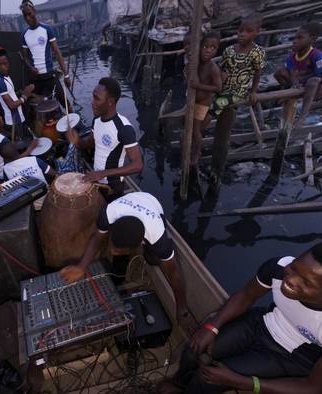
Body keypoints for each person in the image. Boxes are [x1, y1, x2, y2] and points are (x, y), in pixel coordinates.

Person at [159, 240, 322, 394]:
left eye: (307, 283)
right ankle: (178, 384)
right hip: (261, 325)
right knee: (192, 350)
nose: (290, 280)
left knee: (205, 380)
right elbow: (247, 295)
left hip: (293, 358)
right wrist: (212, 327)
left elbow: (316, 388)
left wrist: (241, 382)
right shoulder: (278, 267)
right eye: (295, 268)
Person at [60, 192, 188, 326]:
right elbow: (96, 238)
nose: (111, 252)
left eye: (118, 250)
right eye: (113, 246)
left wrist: (182, 308)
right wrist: (81, 267)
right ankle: (118, 278)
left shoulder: (158, 237)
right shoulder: (108, 214)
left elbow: (174, 273)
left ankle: (148, 255)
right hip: (131, 200)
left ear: (138, 245)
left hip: (152, 202)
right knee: (119, 258)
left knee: (153, 258)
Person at [208, 14, 266, 193]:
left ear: (257, 32)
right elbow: (222, 69)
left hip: (238, 92)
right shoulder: (229, 51)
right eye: (240, 30)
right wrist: (220, 79)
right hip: (223, 87)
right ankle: (203, 123)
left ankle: (203, 124)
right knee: (212, 101)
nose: (242, 34)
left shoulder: (257, 52)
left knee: (218, 107)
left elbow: (257, 73)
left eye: (248, 31)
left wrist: (254, 91)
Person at [67, 77, 143, 202]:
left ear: (110, 102)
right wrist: (77, 142)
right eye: (93, 97)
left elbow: (137, 165)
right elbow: (91, 142)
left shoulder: (124, 128)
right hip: (96, 179)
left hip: (112, 187)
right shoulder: (96, 120)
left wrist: (102, 173)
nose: (92, 102)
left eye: (97, 99)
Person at [274, 23, 322, 127]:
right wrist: (295, 82)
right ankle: (290, 93)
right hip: (300, 82)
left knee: (313, 82)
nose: (295, 41)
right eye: (295, 38)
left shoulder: (316, 55)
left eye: (300, 38)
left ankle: (302, 117)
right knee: (279, 73)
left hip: (312, 82)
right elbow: (291, 72)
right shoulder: (292, 57)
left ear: (312, 39)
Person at [19, 0, 70, 97]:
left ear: (34, 11)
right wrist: (30, 68)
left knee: (66, 103)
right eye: (25, 16)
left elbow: (57, 53)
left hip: (49, 75)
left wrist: (66, 75)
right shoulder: (24, 35)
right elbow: (25, 57)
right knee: (37, 106)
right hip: (35, 78)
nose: (28, 18)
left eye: (29, 14)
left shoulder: (47, 29)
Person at [187, 31, 222, 165]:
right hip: (193, 100)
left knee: (196, 129)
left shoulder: (213, 68)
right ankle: (190, 144)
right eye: (205, 47)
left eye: (213, 48)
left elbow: (218, 88)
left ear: (216, 50)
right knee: (185, 122)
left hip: (203, 102)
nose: (208, 50)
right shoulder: (196, 62)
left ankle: (197, 153)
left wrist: (199, 86)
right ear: (200, 47)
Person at [0, 107, 38, 181]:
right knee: (37, 161)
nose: (1, 117)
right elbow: (17, 160)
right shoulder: (1, 140)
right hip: (6, 175)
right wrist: (31, 147)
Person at [0, 47, 35, 137]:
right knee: (22, 143)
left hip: (18, 116)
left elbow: (10, 94)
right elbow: (11, 105)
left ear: (8, 62)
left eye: (5, 63)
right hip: (14, 120)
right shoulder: (0, 82)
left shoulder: (5, 76)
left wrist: (20, 92)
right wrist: (25, 96)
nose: (3, 67)